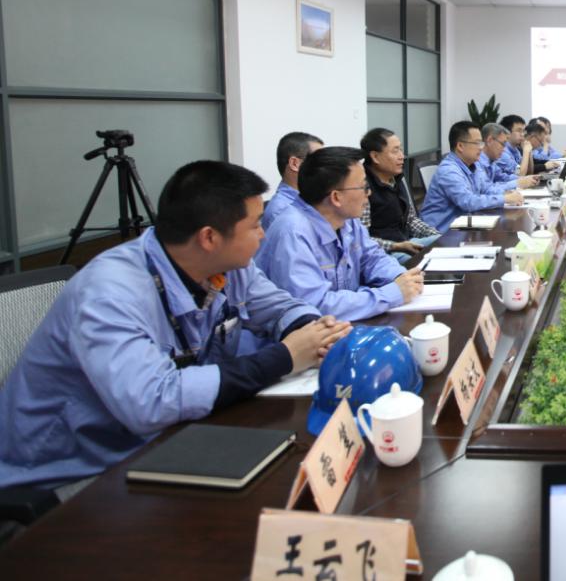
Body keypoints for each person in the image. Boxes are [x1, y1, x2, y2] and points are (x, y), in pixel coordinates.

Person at [0, 161, 350, 491]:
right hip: (73, 473)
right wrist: (284, 357)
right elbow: (150, 403)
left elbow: (278, 307)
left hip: (170, 439)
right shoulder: (109, 293)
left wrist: (315, 330)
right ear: (209, 237)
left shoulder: (229, 266)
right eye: (256, 224)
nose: (263, 233)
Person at [256, 147, 424, 322]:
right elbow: (315, 306)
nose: (369, 193)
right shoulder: (292, 233)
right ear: (336, 197)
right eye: (364, 187)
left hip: (346, 324)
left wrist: (401, 277)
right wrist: (391, 294)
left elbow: (372, 258)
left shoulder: (347, 219)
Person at [421, 121, 524, 231]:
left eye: (481, 143)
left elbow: (486, 189)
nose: (481, 148)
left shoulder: (472, 165)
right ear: (460, 146)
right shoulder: (449, 171)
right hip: (439, 233)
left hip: (463, 226)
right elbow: (468, 202)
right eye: (477, 143)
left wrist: (508, 194)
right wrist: (504, 198)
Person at [359, 127, 441, 261]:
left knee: (445, 242)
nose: (401, 156)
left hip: (406, 243)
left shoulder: (396, 178)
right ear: (375, 157)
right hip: (384, 253)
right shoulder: (363, 187)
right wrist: (396, 246)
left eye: (401, 150)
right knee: (427, 261)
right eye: (395, 151)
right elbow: (362, 239)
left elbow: (410, 220)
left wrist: (435, 236)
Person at [262, 131, 322, 231]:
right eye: (319, 160)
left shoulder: (314, 201)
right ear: (295, 164)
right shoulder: (282, 210)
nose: (326, 167)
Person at [476, 123, 539, 192]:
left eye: (523, 131)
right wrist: (526, 152)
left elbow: (504, 177)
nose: (522, 134)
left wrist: (525, 179)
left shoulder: (516, 151)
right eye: (519, 131)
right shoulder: (503, 155)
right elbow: (519, 172)